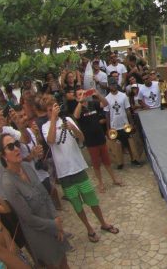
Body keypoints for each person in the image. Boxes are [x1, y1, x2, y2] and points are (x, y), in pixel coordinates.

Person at [42, 98, 119, 243]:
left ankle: (103, 223)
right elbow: (51, 140)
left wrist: (73, 129)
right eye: (49, 109)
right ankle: (89, 228)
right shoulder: (46, 126)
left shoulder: (68, 120)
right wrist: (53, 119)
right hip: (65, 173)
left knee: (92, 199)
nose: (53, 110)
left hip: (78, 168)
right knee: (77, 204)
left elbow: (82, 138)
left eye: (54, 107)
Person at [0, 133, 70, 268]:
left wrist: (56, 220)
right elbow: (28, 218)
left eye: (17, 144)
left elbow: (46, 196)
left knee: (64, 262)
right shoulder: (8, 183)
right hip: (38, 234)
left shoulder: (27, 167)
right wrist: (54, 224)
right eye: (10, 147)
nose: (16, 149)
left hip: (53, 223)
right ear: (3, 155)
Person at [73, 90, 123, 193]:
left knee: (107, 160)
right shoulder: (78, 108)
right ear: (76, 98)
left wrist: (98, 94)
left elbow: (105, 103)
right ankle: (100, 183)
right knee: (96, 163)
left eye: (83, 93)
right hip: (90, 140)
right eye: (79, 94)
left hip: (100, 136)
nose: (82, 95)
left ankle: (114, 179)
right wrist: (80, 102)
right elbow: (76, 116)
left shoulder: (92, 103)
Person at [104, 79, 142, 168]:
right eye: (111, 85)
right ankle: (120, 162)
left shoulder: (123, 96)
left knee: (130, 142)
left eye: (114, 84)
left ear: (116, 85)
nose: (113, 86)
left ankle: (134, 159)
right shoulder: (106, 99)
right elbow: (107, 114)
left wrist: (131, 123)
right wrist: (108, 128)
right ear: (109, 86)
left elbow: (128, 110)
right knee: (117, 144)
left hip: (125, 124)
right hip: (114, 125)